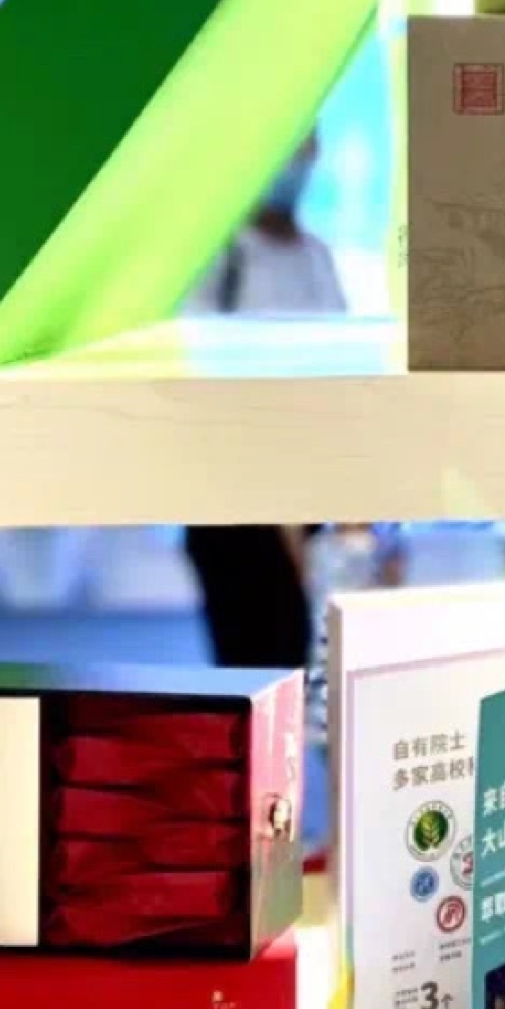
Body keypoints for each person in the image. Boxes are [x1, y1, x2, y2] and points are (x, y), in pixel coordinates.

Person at [181, 138, 345, 673]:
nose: (300, 159)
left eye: (309, 145)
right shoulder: (222, 258)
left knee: (319, 667)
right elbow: (204, 380)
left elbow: (344, 379)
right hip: (237, 507)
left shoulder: (317, 257)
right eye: (291, 144)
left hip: (312, 498)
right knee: (257, 662)